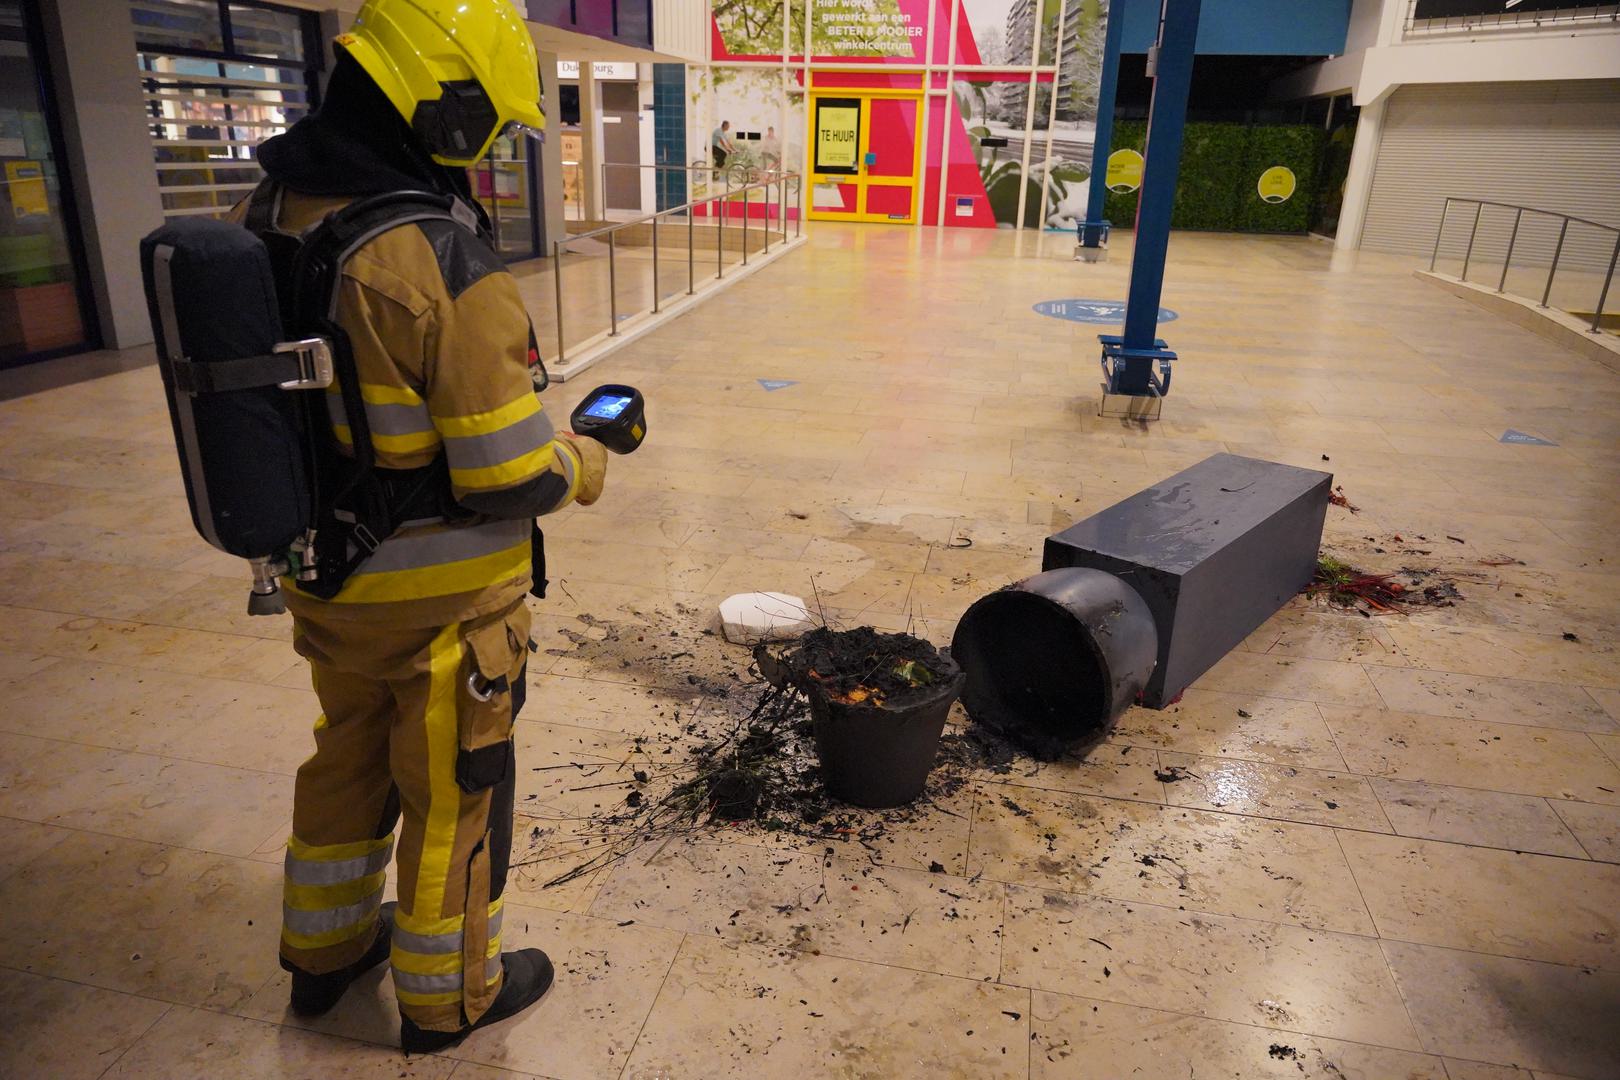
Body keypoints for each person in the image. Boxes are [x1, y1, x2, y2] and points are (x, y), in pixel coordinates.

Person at [234, 0, 610, 1055]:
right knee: (456, 794)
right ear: (441, 104)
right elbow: (504, 471)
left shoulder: (266, 214)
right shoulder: (435, 258)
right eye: (485, 125)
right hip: (445, 609)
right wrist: (582, 463)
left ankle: (323, 957)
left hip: (328, 582)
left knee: (344, 763)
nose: (486, 152)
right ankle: (452, 1002)